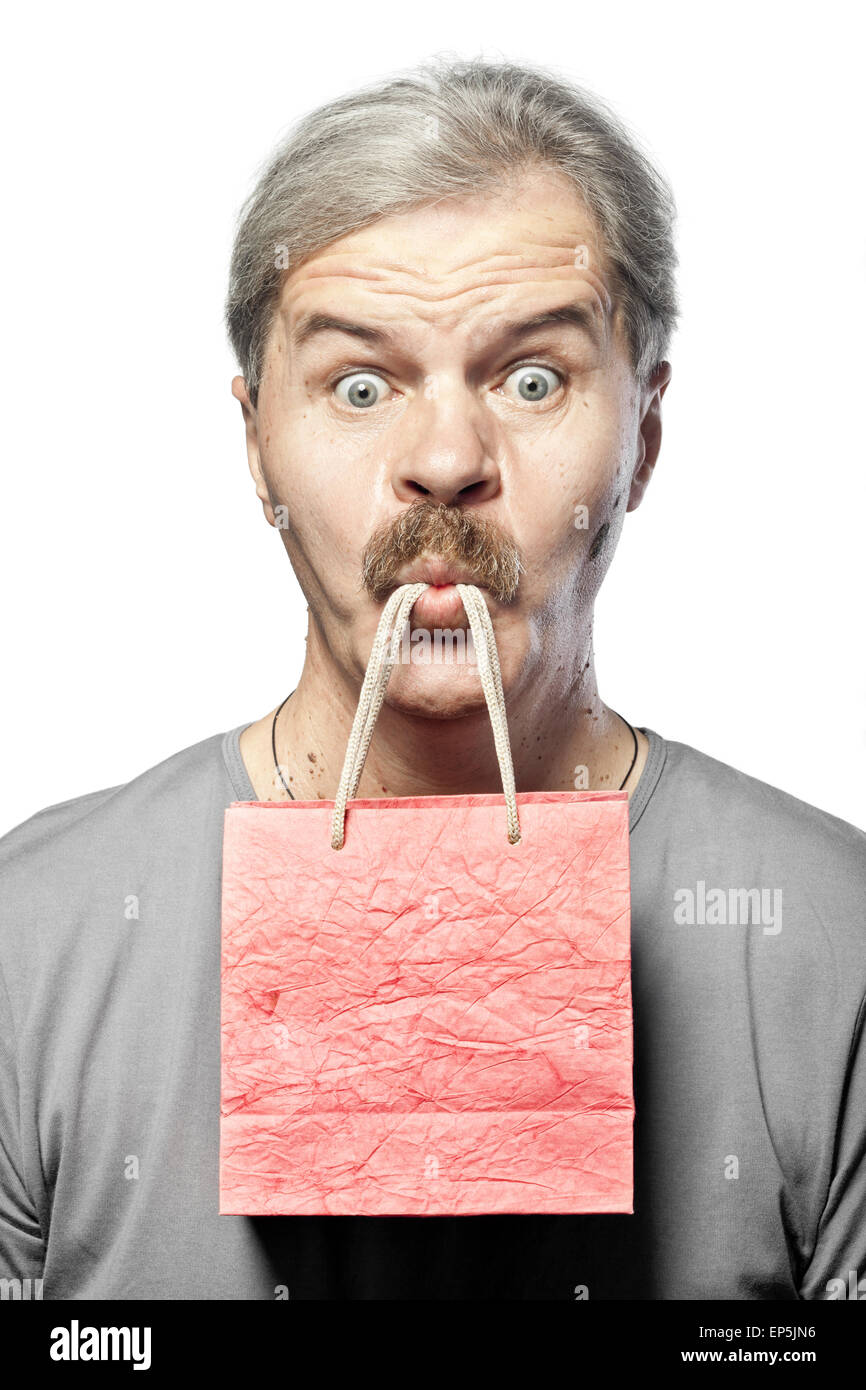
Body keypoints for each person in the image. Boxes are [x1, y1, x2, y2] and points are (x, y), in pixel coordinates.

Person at [1, 58, 864, 1302]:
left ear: (643, 441)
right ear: (257, 447)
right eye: (359, 384)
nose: (447, 459)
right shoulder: (33, 942)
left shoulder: (829, 948)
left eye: (532, 379)